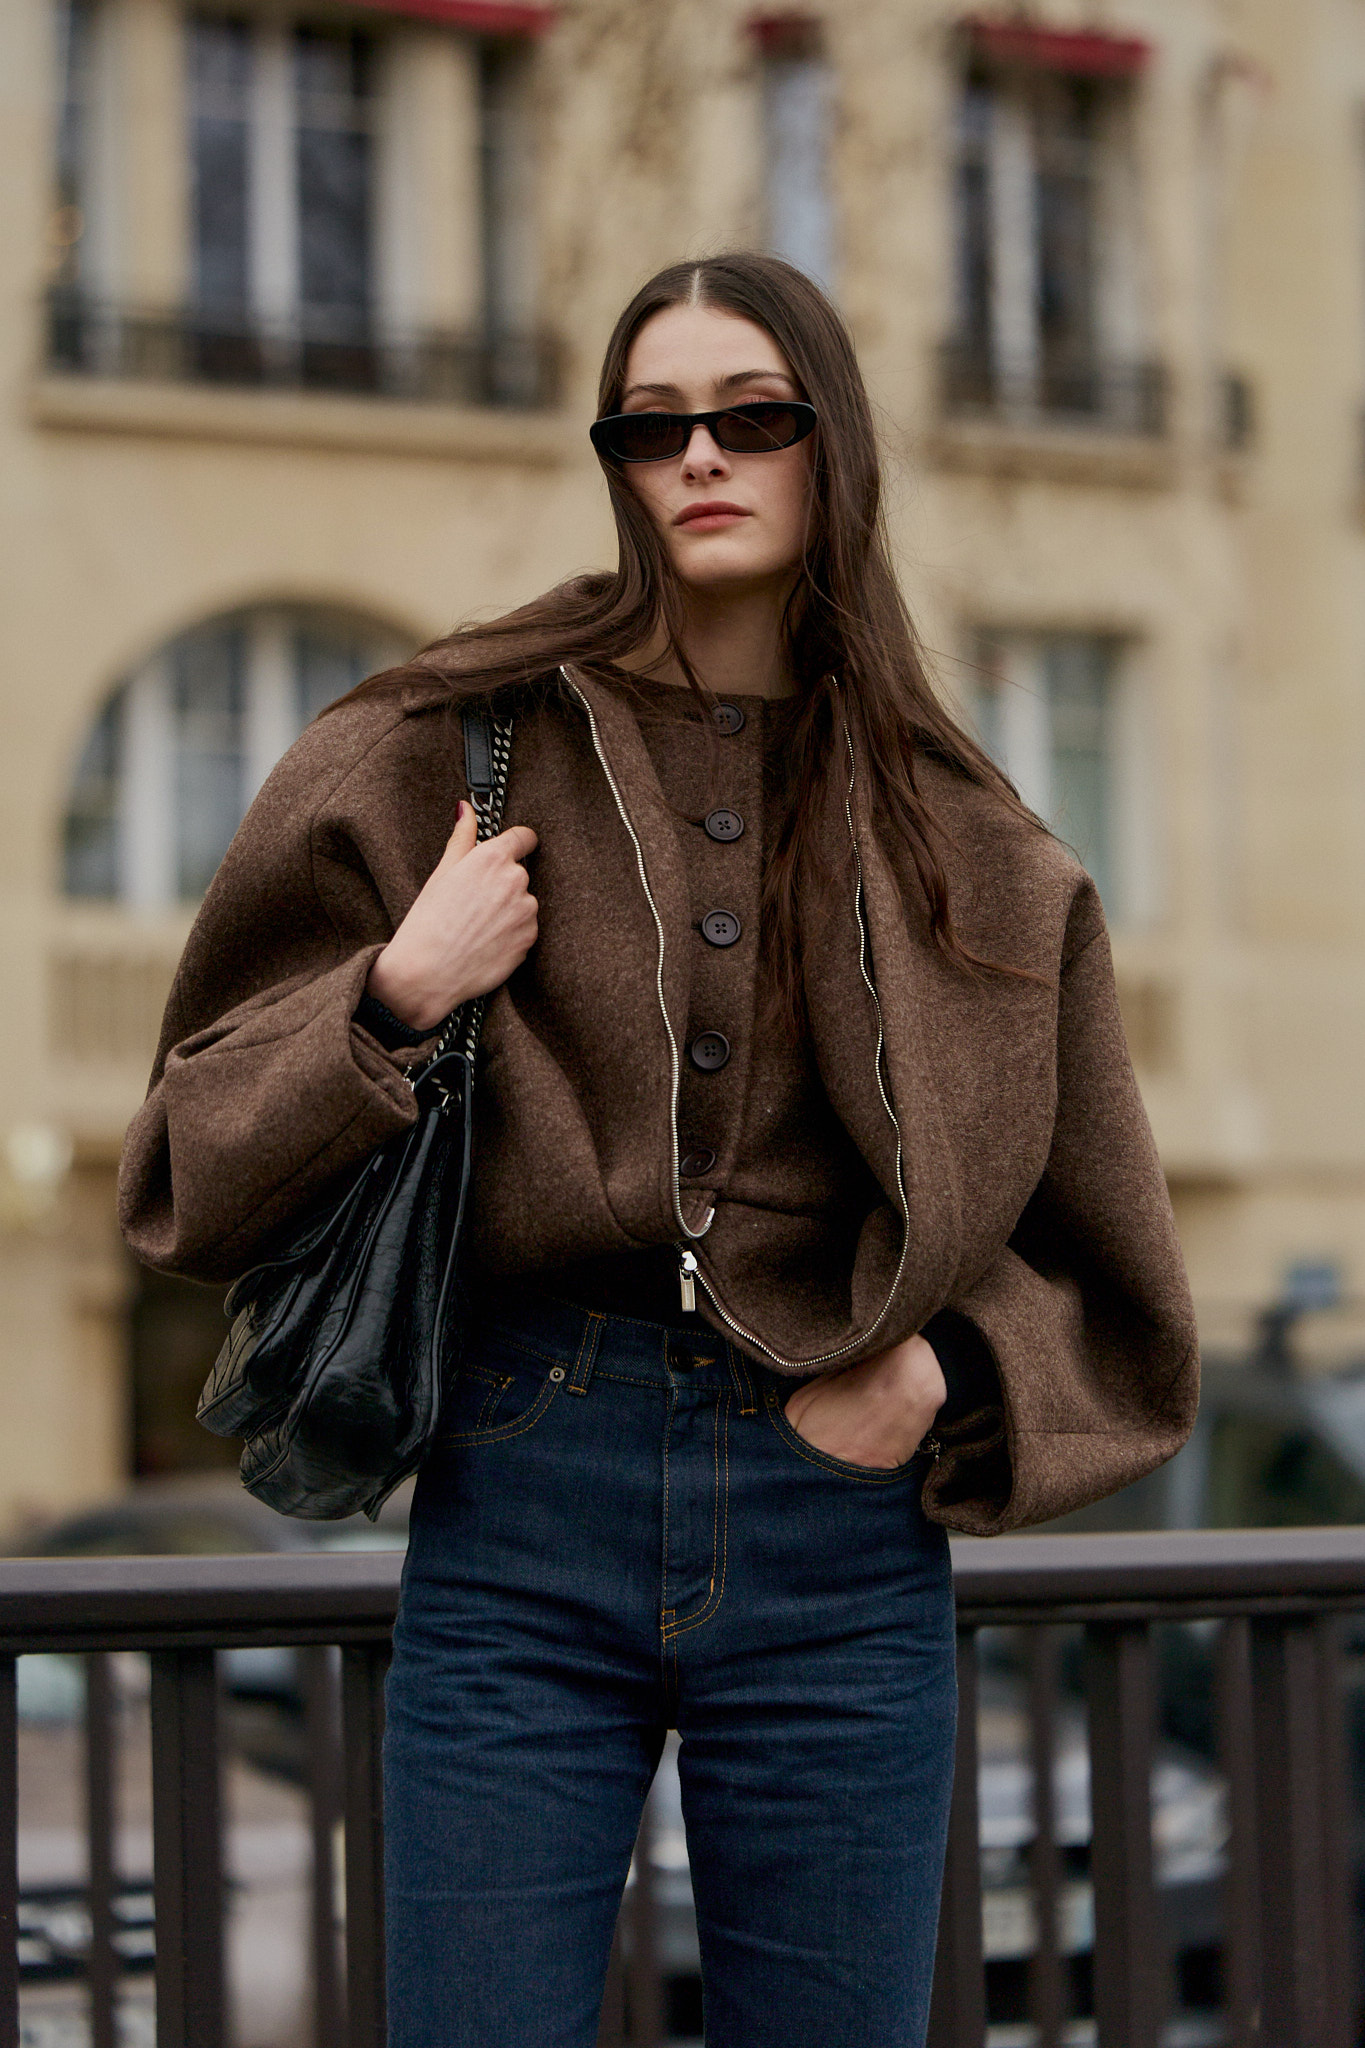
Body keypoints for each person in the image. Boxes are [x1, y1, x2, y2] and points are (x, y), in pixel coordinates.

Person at [119, 253, 1199, 2048]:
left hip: (837, 1521)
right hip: (524, 1483)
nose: (701, 457)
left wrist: (943, 1368)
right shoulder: (435, 749)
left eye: (752, 416)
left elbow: (1114, 1264)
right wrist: (393, 992)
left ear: (827, 444)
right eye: (653, 423)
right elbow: (180, 1163)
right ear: (615, 460)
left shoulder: (968, 840)